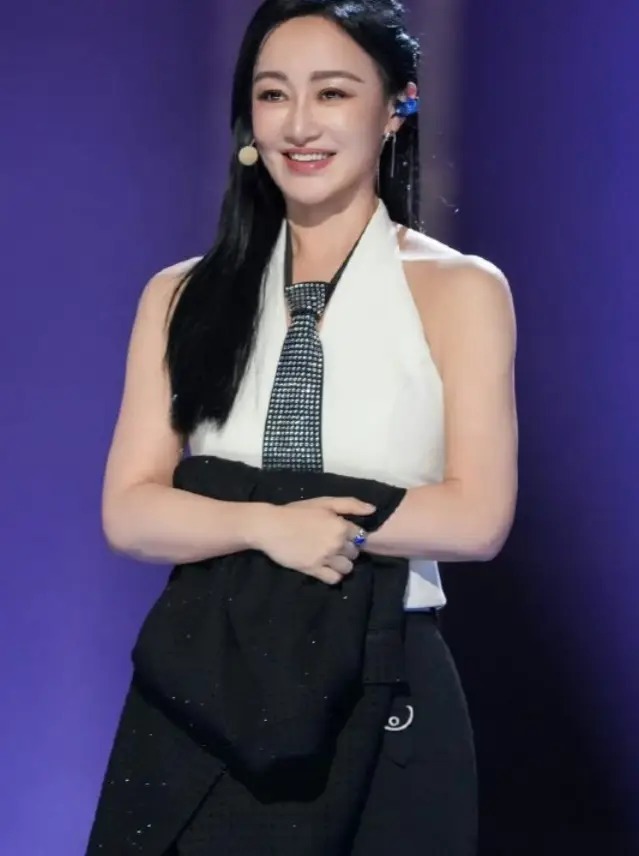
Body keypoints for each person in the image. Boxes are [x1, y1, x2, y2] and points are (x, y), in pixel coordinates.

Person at [87, 0, 518, 853]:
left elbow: (475, 516)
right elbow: (131, 510)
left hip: (382, 666)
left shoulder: (459, 290)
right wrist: (267, 524)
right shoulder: (181, 295)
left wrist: (238, 503)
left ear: (396, 105)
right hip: (205, 675)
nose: (298, 125)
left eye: (332, 93)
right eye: (273, 94)